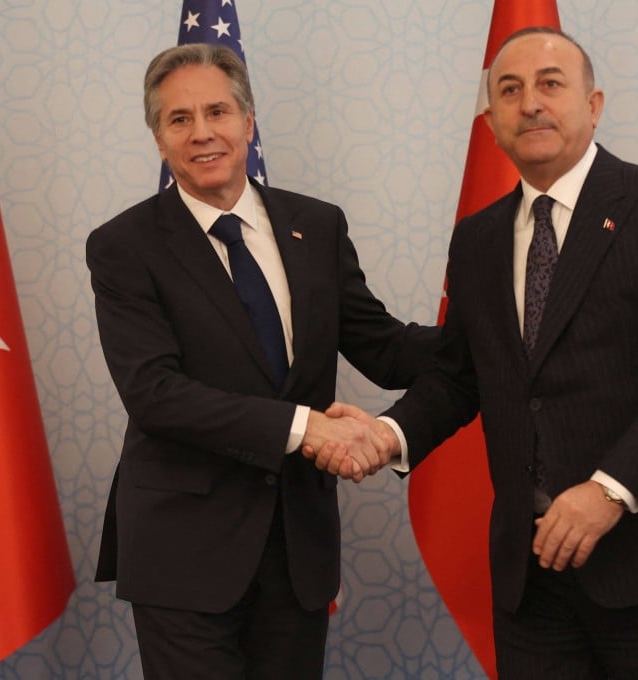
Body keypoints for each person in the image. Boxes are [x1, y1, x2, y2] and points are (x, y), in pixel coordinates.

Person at [313, 27, 638, 679]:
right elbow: (460, 375)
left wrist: (610, 490)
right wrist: (386, 434)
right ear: (492, 123)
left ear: (593, 105)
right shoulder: (478, 239)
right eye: (510, 91)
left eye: (550, 84)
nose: (531, 104)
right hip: (533, 574)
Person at [86, 43, 436, 679]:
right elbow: (155, 394)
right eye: (179, 119)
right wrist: (307, 429)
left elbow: (384, 349)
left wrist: (493, 332)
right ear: (159, 139)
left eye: (217, 112)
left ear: (248, 122)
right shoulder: (123, 246)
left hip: (296, 546)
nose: (202, 133)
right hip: (182, 550)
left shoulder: (317, 226)